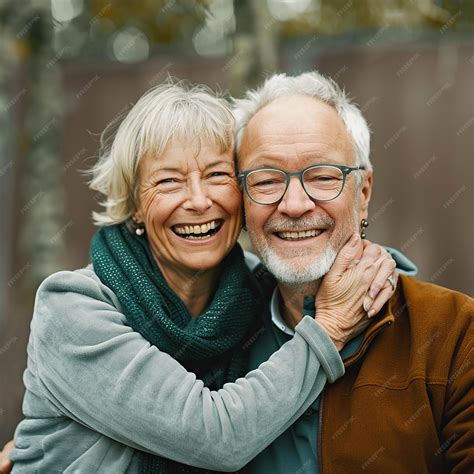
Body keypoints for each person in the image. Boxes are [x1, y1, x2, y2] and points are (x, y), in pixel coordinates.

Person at [5, 81, 400, 473]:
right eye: (169, 181)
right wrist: (328, 329)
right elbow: (216, 437)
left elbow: (317, 255)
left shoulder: (256, 295)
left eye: (216, 175)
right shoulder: (71, 308)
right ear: (135, 205)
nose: (198, 200)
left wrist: (374, 261)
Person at [233, 71, 474, 473]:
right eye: (267, 180)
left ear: (363, 193)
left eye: (323, 176)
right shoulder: (218, 339)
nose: (294, 205)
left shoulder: (455, 334)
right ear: (241, 201)